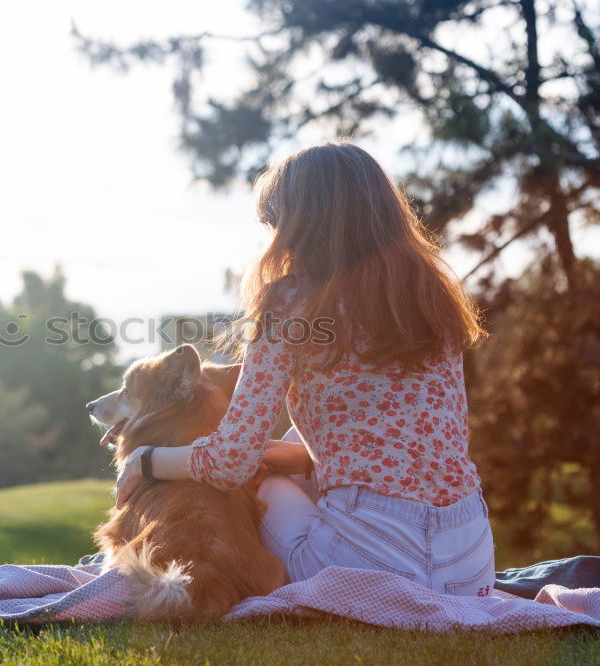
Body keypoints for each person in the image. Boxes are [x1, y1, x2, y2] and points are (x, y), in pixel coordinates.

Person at [116, 141, 496, 595]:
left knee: (263, 486)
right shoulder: (430, 294)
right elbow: (409, 440)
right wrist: (291, 454)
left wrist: (146, 460)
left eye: (274, 223)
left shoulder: (291, 302)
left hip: (366, 567)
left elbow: (229, 463)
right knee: (283, 462)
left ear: (298, 225)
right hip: (470, 564)